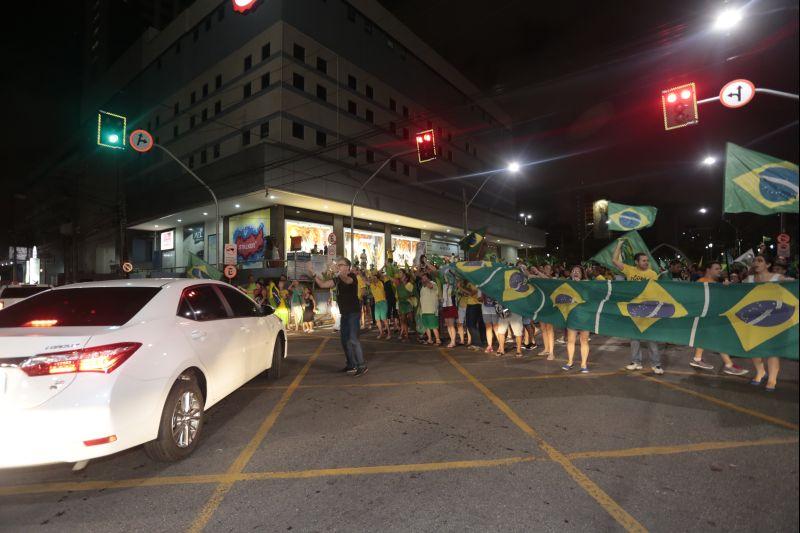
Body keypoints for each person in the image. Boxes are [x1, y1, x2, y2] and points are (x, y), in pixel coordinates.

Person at [612, 240, 664, 375]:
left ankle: (656, 364)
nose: (646, 262)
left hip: (649, 309)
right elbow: (614, 260)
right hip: (634, 309)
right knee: (634, 338)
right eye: (643, 260)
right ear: (636, 262)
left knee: (651, 338)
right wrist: (619, 244)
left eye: (647, 260)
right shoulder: (629, 270)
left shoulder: (652, 274)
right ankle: (636, 362)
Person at [308, 258, 368, 376]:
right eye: (338, 264)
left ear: (348, 267)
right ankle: (351, 365)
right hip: (344, 313)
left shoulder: (352, 277)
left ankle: (362, 365)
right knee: (344, 340)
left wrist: (337, 271)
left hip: (353, 313)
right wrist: (312, 272)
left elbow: (347, 280)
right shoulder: (337, 279)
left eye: (341, 265)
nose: (339, 266)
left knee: (353, 339)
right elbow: (322, 284)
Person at [689, 261, 748, 376]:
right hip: (708, 316)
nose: (719, 271)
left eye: (720, 269)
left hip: (711, 316)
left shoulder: (716, 283)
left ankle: (697, 359)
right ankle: (729, 365)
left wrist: (725, 288)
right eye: (716, 268)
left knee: (704, 338)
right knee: (719, 339)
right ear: (708, 270)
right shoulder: (702, 282)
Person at [745, 254, 790, 391]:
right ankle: (760, 372)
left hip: (775, 319)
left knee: (772, 350)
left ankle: (772, 379)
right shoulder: (749, 279)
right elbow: (737, 294)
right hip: (754, 318)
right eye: (754, 260)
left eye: (760, 260)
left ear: (768, 265)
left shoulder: (778, 278)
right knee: (753, 348)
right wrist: (727, 285)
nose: (756, 263)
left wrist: (792, 281)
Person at [562, 265, 591, 372]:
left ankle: (584, 364)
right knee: (570, 340)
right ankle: (570, 362)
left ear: (582, 274)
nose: (576, 272)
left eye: (578, 271)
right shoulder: (567, 285)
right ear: (571, 274)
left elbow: (589, 299)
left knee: (584, 340)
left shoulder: (587, 284)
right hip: (572, 316)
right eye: (573, 271)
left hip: (585, 316)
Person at [418, 272, 442, 345]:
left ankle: (438, 340)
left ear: (429, 278)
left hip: (432, 309)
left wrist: (426, 281)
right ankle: (429, 339)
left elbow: (431, 286)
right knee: (427, 326)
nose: (423, 279)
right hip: (424, 310)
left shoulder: (433, 283)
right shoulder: (422, 287)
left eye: (425, 278)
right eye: (422, 278)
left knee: (434, 326)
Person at [439, 268, 459, 347]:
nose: (445, 277)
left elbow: (455, 278)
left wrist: (452, 272)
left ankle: (453, 341)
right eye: (444, 276)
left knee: (451, 324)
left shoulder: (453, 285)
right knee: (447, 324)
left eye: (447, 276)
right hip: (445, 305)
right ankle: (451, 340)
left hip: (451, 305)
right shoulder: (443, 285)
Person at [369, 271, 390, 339]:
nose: (374, 279)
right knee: (377, 319)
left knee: (384, 319)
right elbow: (366, 280)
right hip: (377, 303)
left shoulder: (380, 283)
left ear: (378, 279)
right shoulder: (371, 285)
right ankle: (381, 333)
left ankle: (389, 333)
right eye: (373, 278)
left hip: (383, 302)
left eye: (375, 278)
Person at [479, 289, 500, 354]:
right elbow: (479, 299)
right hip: (485, 309)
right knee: (488, 328)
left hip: (495, 309)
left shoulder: (494, 284)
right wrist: (482, 298)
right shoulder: (481, 286)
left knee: (496, 328)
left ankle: (501, 345)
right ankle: (489, 346)